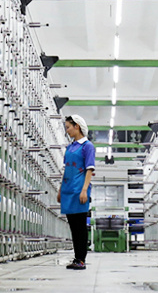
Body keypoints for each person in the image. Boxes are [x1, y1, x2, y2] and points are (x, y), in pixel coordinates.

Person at [61, 115, 97, 270]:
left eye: (68, 127)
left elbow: (89, 169)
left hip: (79, 189)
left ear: (77, 126)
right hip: (68, 189)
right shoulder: (70, 147)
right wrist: (60, 189)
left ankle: (81, 259)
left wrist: (84, 190)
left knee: (80, 227)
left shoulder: (87, 146)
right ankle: (77, 258)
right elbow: (66, 169)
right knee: (73, 227)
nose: (67, 131)